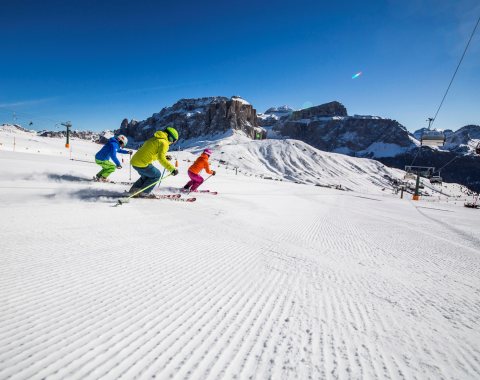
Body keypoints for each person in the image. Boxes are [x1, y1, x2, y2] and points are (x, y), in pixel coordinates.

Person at [129, 126, 179, 196]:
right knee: (157, 175)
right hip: (143, 163)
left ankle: (133, 191)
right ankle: (144, 193)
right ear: (170, 137)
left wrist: (164, 156)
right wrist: (172, 169)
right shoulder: (164, 143)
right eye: (173, 140)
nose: (172, 143)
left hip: (134, 162)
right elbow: (161, 159)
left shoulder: (154, 138)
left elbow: (151, 153)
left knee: (146, 177)